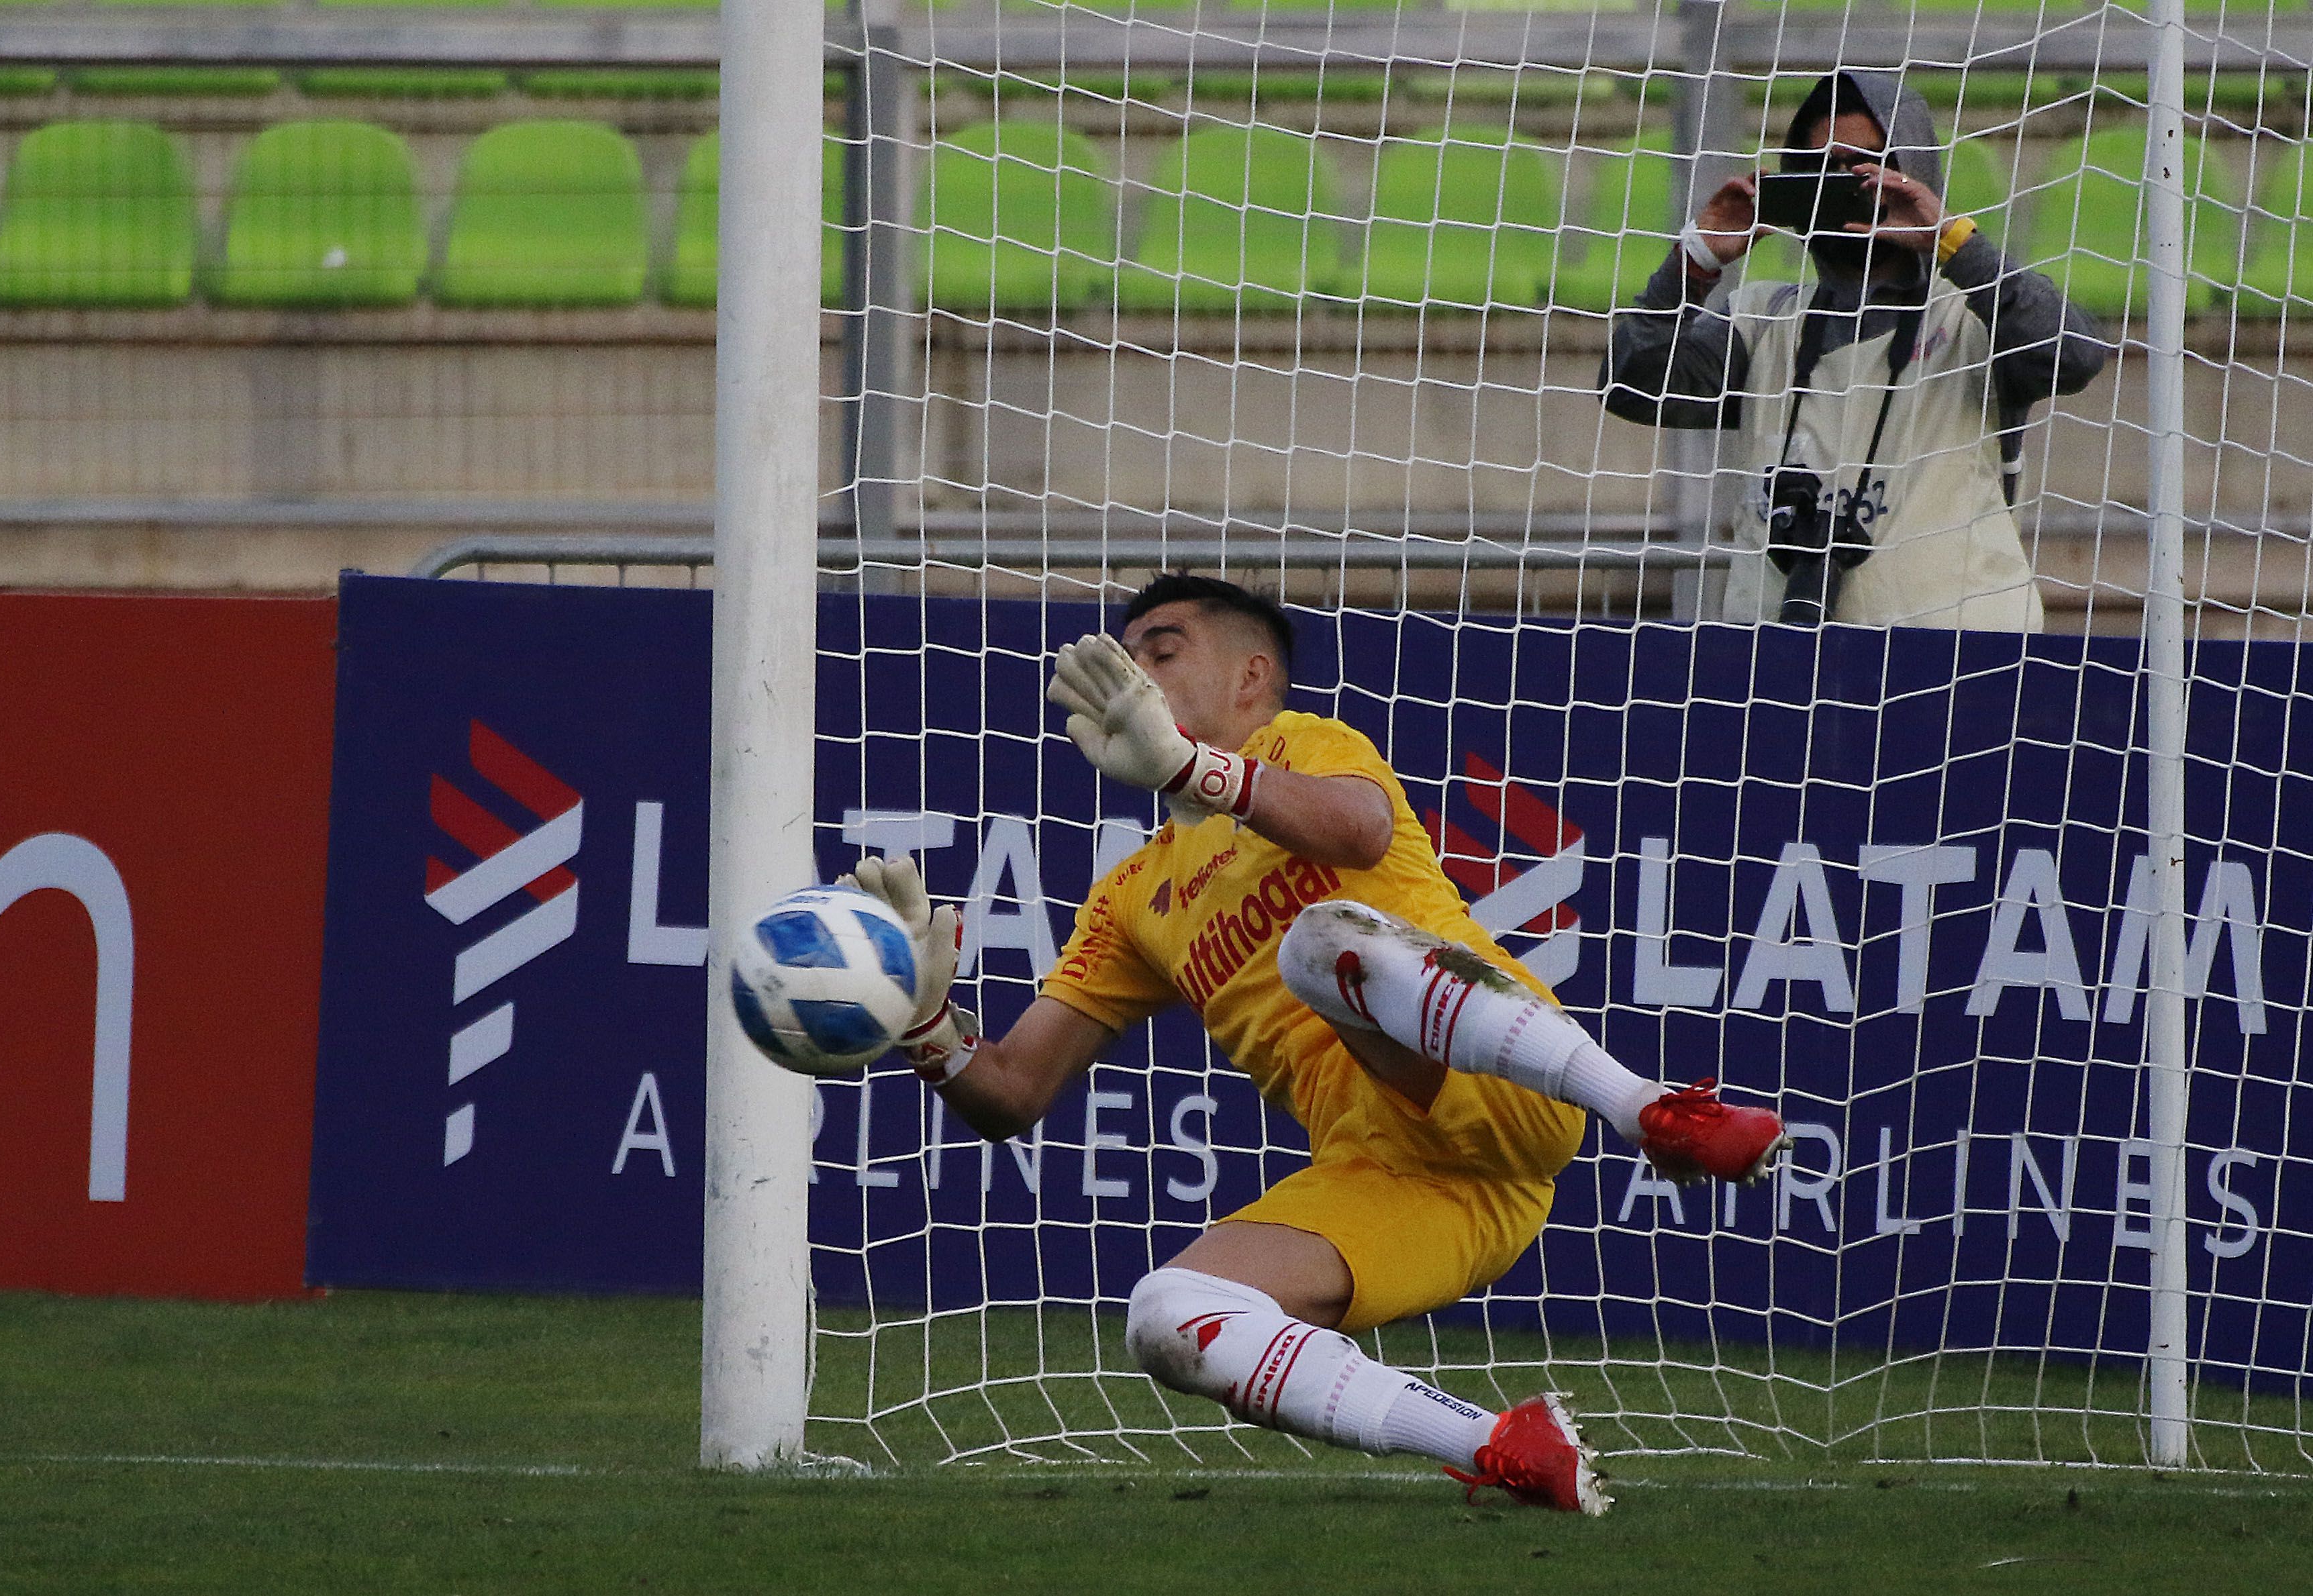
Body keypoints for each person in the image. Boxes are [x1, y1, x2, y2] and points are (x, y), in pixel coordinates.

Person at [837, 572, 1787, 1515]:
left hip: (1498, 1075)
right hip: (1414, 1184)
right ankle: (1499, 1445)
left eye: (1162, 650)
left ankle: (1651, 1110)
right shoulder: (1130, 894)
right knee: (1166, 1315)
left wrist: (1187, 768)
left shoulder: (1306, 743)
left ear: (1252, 675)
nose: (1133, 673)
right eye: (1127, 658)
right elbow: (1009, 1093)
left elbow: (1359, 828)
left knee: (1320, 941)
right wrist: (924, 1023)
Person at [1601, 70, 2106, 631]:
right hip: (1778, 663)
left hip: (1962, 661)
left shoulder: (1973, 312)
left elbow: (2074, 354)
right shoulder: (1762, 318)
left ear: (1912, 171)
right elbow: (1631, 384)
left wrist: (1951, 241)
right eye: (1824, 168)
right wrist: (1695, 261)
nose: (1850, 181)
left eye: (1871, 163)